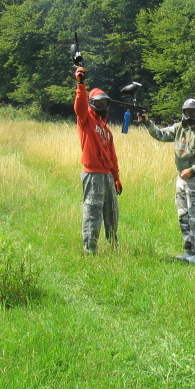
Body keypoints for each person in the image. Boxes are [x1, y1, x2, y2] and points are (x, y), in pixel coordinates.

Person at [138, 99, 195, 263]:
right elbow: (160, 134)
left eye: (194, 112)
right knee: (183, 216)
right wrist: (147, 122)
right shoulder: (179, 128)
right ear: (183, 112)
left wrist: (193, 170)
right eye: (188, 112)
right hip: (181, 179)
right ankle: (190, 250)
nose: (191, 115)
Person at [73, 66, 122, 254]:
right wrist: (81, 84)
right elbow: (79, 107)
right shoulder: (86, 121)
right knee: (93, 213)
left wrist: (116, 177)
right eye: (98, 103)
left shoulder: (107, 130)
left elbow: (112, 156)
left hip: (107, 175)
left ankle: (114, 246)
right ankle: (90, 250)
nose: (102, 106)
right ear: (92, 103)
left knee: (112, 213)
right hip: (92, 174)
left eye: (104, 103)